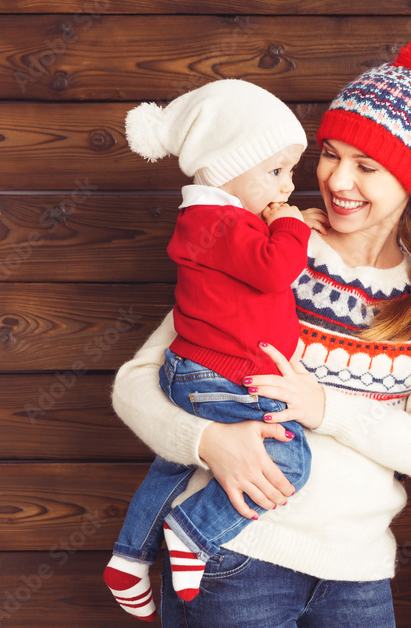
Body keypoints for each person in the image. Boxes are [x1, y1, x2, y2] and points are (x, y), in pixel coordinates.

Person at [110, 40, 411, 627]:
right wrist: (205, 442)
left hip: (359, 579)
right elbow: (138, 381)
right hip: (233, 560)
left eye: (367, 166)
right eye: (330, 154)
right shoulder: (269, 250)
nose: (337, 179)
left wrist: (327, 407)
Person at [104, 78, 316, 619]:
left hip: (198, 372)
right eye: (275, 172)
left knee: (172, 466)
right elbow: (273, 269)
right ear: (224, 167)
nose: (287, 188)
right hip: (219, 377)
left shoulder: (219, 219)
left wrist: (278, 220)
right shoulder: (218, 220)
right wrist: (291, 228)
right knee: (289, 458)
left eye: (290, 171)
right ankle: (193, 531)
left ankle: (129, 559)